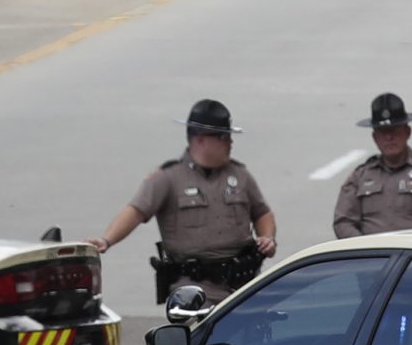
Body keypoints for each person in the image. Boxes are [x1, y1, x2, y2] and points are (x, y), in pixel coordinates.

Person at [88, 100, 276, 303]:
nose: (231, 142)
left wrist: (268, 238)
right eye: (224, 136)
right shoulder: (169, 178)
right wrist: (106, 240)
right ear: (201, 139)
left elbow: (262, 213)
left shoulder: (240, 175)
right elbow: (135, 211)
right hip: (195, 292)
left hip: (244, 288)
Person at [330, 93, 412, 238]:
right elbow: (343, 222)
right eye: (383, 133)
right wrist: (366, 249)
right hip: (373, 257)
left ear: (407, 132)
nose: (389, 138)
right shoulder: (360, 176)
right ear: (375, 138)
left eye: (394, 130)